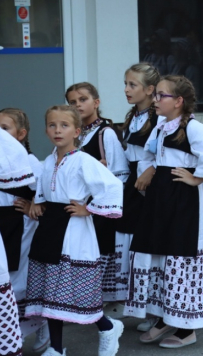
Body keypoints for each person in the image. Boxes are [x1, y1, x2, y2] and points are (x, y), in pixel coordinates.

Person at [125, 75, 203, 348]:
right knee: (159, 256)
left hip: (184, 202)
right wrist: (149, 170)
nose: (156, 99)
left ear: (179, 101)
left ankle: (187, 328)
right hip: (160, 199)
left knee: (181, 257)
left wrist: (197, 178)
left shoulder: (195, 128)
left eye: (162, 95)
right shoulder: (161, 125)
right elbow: (149, 155)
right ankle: (165, 316)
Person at [24, 105, 124, 356]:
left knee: (75, 294)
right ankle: (56, 350)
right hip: (49, 230)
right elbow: (45, 189)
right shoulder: (48, 161)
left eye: (64, 125)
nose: (58, 130)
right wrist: (38, 202)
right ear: (46, 130)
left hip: (73, 232)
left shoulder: (83, 160)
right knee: (51, 296)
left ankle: (108, 326)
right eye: (52, 125)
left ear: (76, 131)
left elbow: (111, 185)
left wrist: (89, 209)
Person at [65, 83, 130, 316]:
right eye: (72, 102)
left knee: (99, 251)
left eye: (83, 99)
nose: (78, 105)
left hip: (97, 209)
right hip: (79, 206)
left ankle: (97, 304)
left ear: (97, 102)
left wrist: (94, 207)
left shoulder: (106, 133)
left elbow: (119, 175)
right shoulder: (75, 133)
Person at [0, 108, 48, 352]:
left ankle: (40, 324)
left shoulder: (29, 161)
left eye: (4, 128)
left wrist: (32, 205)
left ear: (20, 134)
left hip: (19, 225)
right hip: (2, 223)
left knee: (18, 280)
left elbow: (43, 194)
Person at [119, 63, 160, 328]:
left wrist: (152, 170)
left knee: (152, 244)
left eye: (132, 85)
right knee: (135, 243)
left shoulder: (159, 118)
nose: (126, 89)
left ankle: (157, 308)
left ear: (150, 89)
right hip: (134, 181)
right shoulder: (132, 116)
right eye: (125, 84)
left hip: (152, 182)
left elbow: (165, 152)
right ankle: (142, 304)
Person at [0, 128, 35, 356]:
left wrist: (35, 203)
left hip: (14, 219)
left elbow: (33, 188)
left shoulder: (21, 155)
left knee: (18, 277)